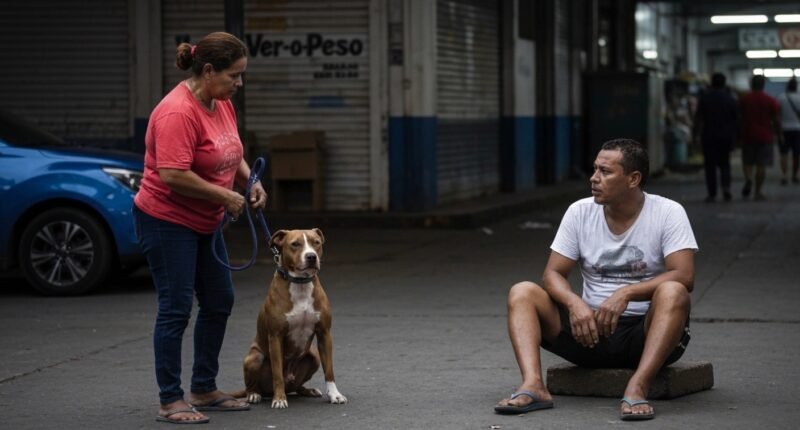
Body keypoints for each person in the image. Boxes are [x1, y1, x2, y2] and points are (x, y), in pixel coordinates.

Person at [494, 139, 697, 421]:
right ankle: (533, 385)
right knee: (522, 292)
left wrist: (626, 294)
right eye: (594, 169)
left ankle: (638, 386)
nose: (594, 178)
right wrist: (574, 303)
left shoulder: (667, 212)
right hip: (588, 332)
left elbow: (684, 275)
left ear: (633, 179)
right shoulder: (580, 211)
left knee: (674, 292)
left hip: (645, 333)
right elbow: (552, 273)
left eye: (605, 171)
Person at [133, 32, 267, 425]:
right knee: (175, 309)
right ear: (208, 71)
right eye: (234, 76)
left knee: (219, 300)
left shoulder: (219, 102)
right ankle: (170, 400)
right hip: (166, 220)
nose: (238, 84)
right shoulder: (177, 112)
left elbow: (232, 149)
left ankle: (204, 388)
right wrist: (225, 198)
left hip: (205, 220)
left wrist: (249, 182)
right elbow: (173, 175)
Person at [694, 73, 738, 202]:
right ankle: (726, 188)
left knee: (710, 166)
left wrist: (695, 134)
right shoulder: (730, 98)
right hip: (725, 136)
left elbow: (698, 117)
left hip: (709, 136)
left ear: (712, 83)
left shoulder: (705, 98)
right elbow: (736, 119)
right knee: (725, 164)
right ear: (724, 83)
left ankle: (712, 193)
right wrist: (736, 137)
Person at [738, 75, 782, 200]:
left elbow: (738, 117)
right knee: (761, 165)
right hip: (765, 136)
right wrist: (779, 134)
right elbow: (776, 120)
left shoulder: (744, 99)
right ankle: (758, 192)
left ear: (751, 84)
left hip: (747, 135)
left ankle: (748, 179)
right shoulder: (770, 100)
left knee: (747, 162)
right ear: (763, 85)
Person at [776, 77, 800, 185]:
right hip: (797, 129)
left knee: (784, 153)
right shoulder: (799, 98)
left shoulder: (780, 98)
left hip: (784, 129)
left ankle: (784, 176)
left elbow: (777, 115)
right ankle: (794, 176)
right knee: (796, 154)